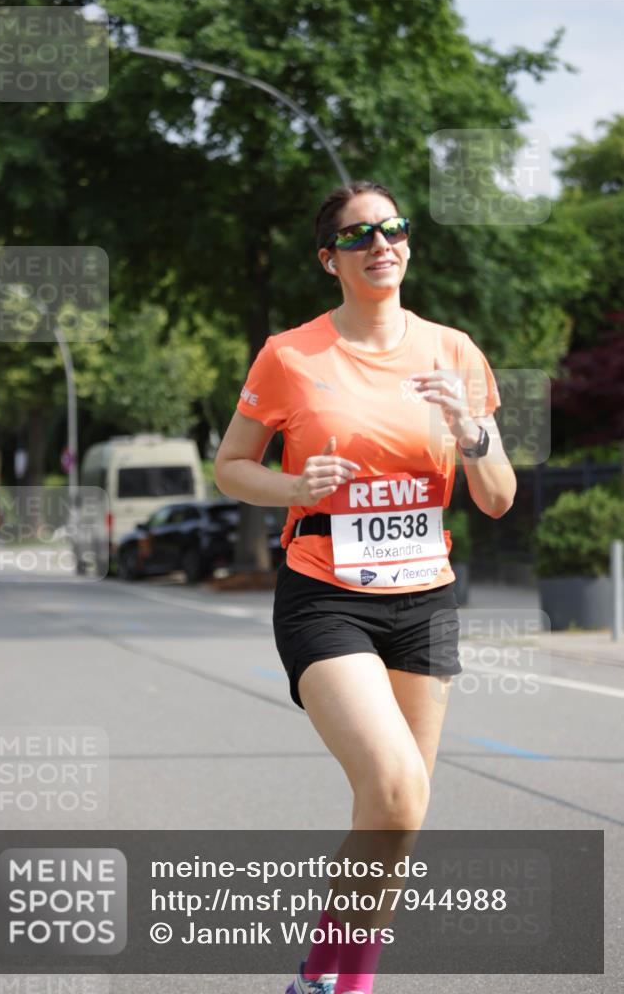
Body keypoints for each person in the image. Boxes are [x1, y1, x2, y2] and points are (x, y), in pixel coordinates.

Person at [214, 180, 516, 994]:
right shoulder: (289, 353)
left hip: (424, 599)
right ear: (330, 260)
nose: (382, 243)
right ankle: (328, 980)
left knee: (398, 816)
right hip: (326, 591)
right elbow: (231, 467)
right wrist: (297, 486)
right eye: (359, 236)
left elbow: (494, 496)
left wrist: (471, 429)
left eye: (394, 229)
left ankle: (336, 979)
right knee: (389, 784)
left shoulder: (454, 351)